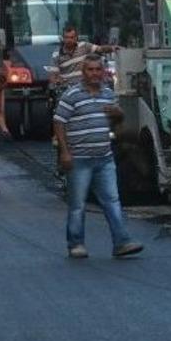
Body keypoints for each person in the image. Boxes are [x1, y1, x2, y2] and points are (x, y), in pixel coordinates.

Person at [53, 54, 143, 259]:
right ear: (83, 72)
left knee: (112, 200)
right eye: (90, 70)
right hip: (79, 159)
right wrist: (65, 152)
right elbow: (59, 122)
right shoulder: (72, 95)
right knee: (77, 204)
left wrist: (118, 115)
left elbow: (117, 121)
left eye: (98, 69)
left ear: (103, 72)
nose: (95, 73)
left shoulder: (108, 94)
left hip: (104, 157)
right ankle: (76, 243)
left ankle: (122, 242)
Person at [50, 25, 118, 90]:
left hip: (85, 86)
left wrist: (113, 48)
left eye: (72, 37)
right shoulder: (56, 54)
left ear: (76, 38)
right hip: (68, 88)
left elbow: (100, 49)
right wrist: (58, 81)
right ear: (63, 38)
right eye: (66, 37)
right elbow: (53, 75)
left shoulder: (84, 46)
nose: (69, 40)